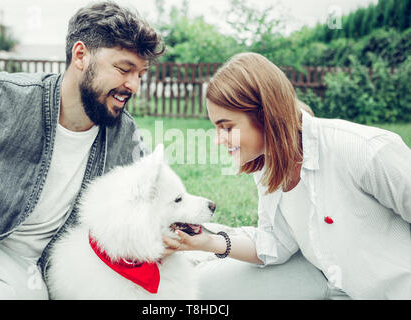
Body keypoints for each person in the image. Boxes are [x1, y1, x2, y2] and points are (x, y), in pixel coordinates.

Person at [163, 52, 411, 299]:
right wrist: (207, 243)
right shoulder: (268, 165)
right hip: (325, 280)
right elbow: (275, 242)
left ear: (265, 115)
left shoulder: (363, 149)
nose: (219, 140)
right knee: (198, 288)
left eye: (227, 127)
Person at [0, 1, 164, 299]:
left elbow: (154, 200)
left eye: (140, 75)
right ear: (80, 55)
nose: (133, 85)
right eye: (124, 69)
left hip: (46, 265)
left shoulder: (125, 135)